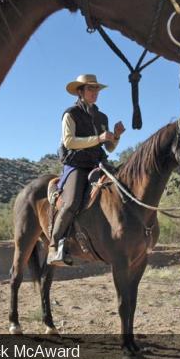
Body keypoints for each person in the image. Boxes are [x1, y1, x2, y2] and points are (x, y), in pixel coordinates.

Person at [47, 74, 125, 266]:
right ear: (80, 92)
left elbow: (110, 148)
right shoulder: (70, 114)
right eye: (90, 89)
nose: (95, 93)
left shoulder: (102, 117)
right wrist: (99, 138)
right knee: (72, 201)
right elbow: (69, 141)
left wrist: (115, 136)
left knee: (122, 191)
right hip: (77, 164)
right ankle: (54, 246)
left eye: (96, 89)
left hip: (99, 163)